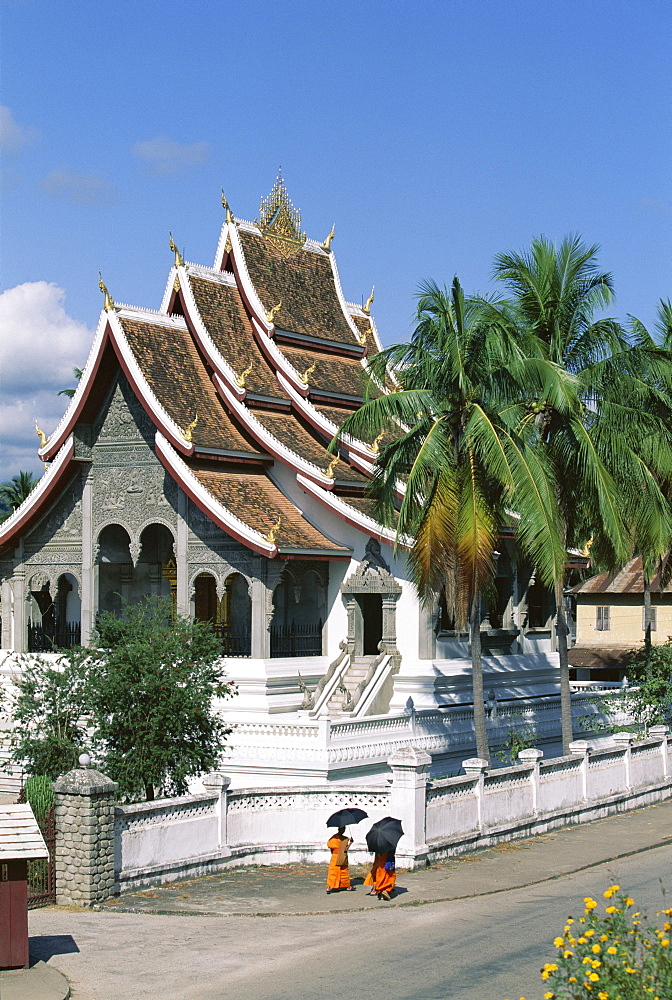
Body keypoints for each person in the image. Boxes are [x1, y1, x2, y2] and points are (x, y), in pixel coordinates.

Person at [326, 826, 353, 893]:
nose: (342, 830)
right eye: (341, 829)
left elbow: (345, 849)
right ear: (338, 829)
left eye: (343, 829)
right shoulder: (335, 838)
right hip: (337, 856)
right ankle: (329, 887)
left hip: (340, 855)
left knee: (343, 871)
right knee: (333, 871)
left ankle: (346, 885)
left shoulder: (344, 839)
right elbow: (331, 847)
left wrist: (350, 843)